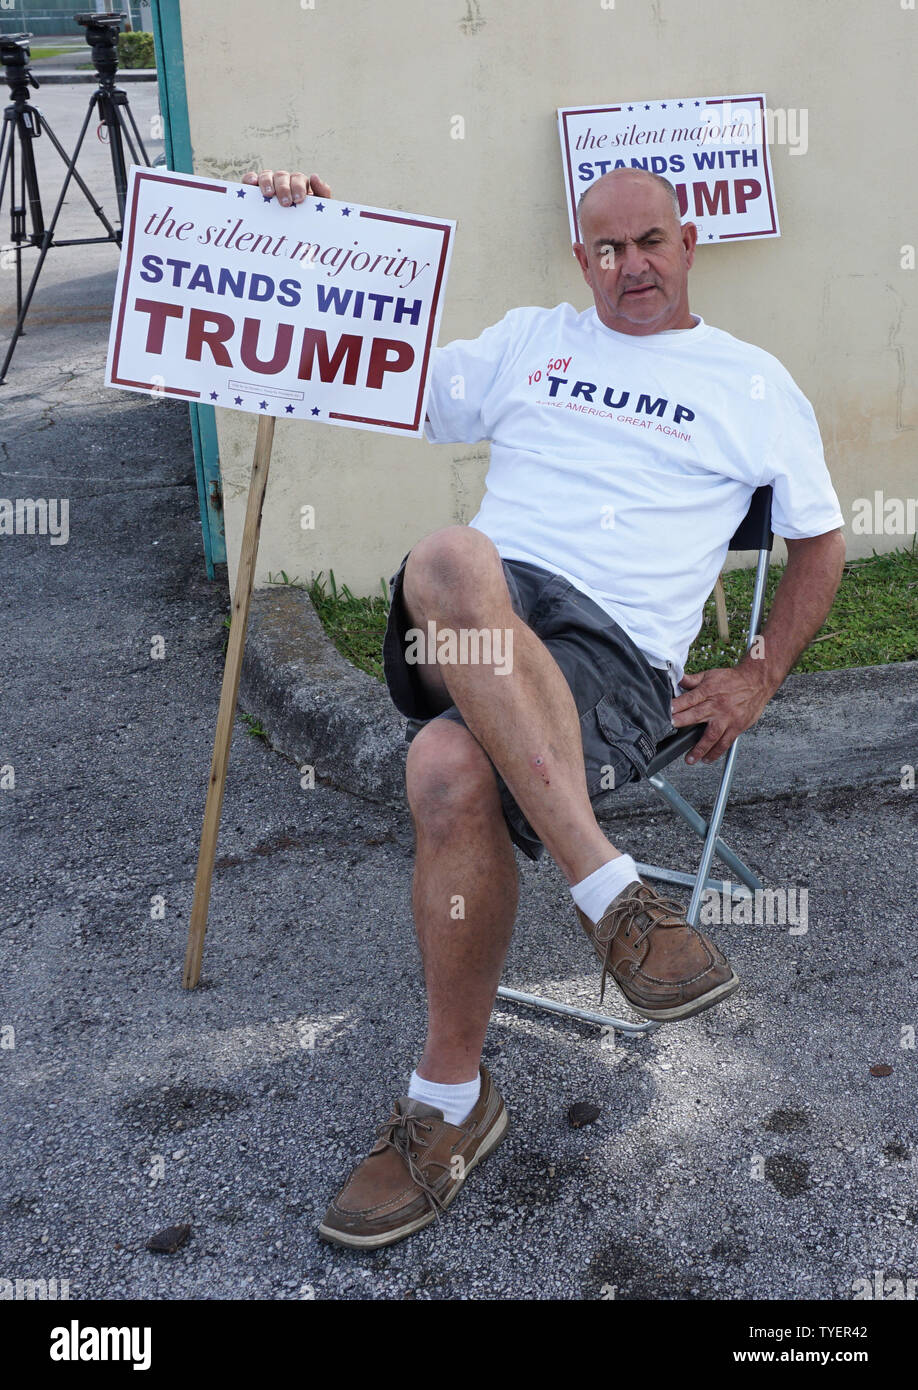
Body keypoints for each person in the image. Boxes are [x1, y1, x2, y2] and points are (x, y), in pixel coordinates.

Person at [244, 165, 846, 1249]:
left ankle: (449, 1101)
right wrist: (303, 240)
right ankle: (610, 890)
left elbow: (822, 541)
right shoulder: (532, 341)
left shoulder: (751, 382)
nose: (632, 268)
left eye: (651, 242)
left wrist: (759, 672)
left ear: (689, 239)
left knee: (443, 770)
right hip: (476, 616)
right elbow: (381, 371)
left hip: (611, 661)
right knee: (450, 556)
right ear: (582, 260)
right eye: (607, 251)